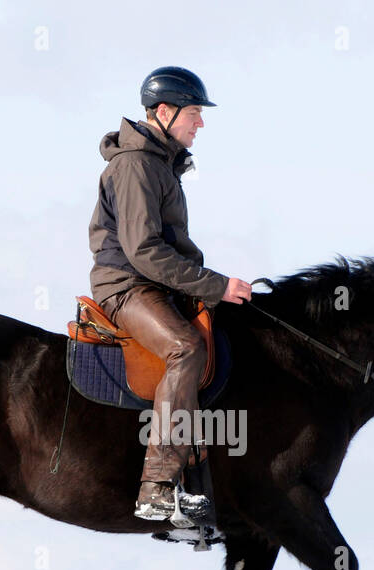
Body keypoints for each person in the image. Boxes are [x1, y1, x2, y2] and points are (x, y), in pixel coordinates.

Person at [88, 66, 253, 521]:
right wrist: (217, 285)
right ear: (164, 111)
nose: (200, 123)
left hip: (155, 284)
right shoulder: (136, 165)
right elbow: (143, 251)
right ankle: (157, 487)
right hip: (126, 286)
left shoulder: (161, 164)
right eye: (194, 113)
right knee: (185, 348)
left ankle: (201, 486)